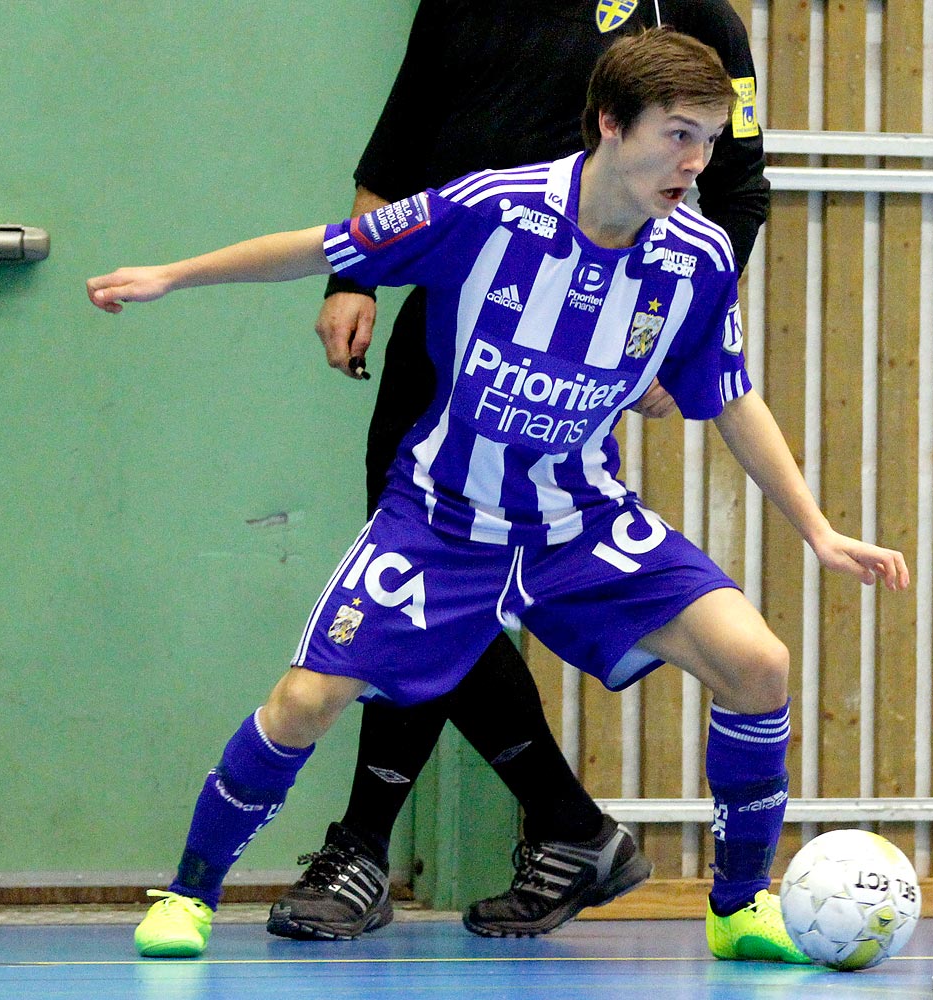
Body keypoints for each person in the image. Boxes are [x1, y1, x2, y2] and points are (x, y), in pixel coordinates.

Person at [87, 28, 909, 963]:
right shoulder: (492, 209)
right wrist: (173, 276)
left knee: (757, 664)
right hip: (441, 522)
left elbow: (727, 392)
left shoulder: (698, 255)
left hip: (578, 524)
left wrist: (818, 529)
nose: (696, 161)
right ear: (609, 123)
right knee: (306, 701)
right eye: (678, 134)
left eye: (709, 139)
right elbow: (325, 247)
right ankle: (189, 894)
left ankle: (737, 908)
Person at [283, 0, 771, 943]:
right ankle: (562, 827)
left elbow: (741, 188)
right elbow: (399, 144)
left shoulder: (700, 15)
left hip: (584, 345)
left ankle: (372, 846)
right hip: (452, 319)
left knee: (449, 580)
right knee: (422, 569)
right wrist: (351, 278)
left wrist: (679, 339)